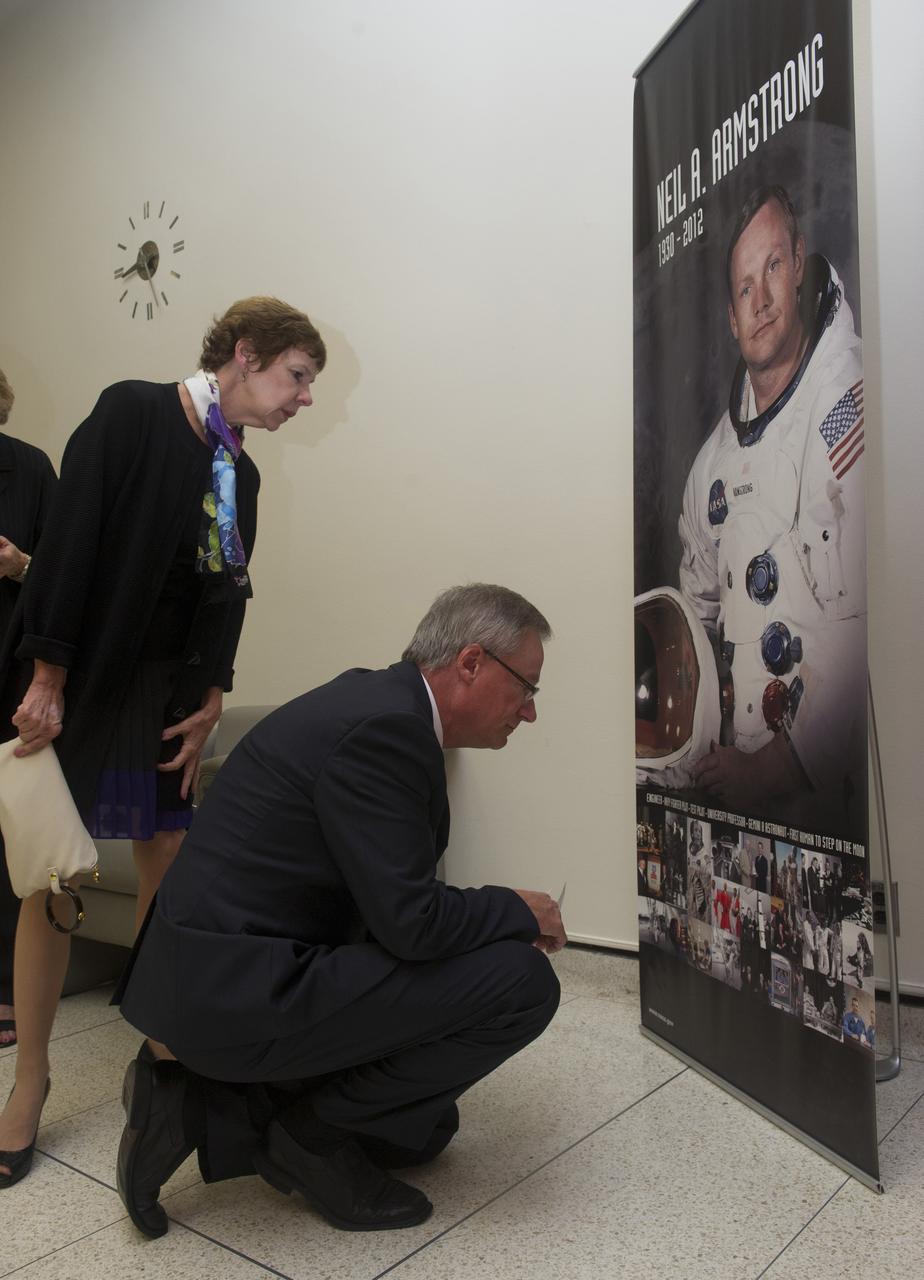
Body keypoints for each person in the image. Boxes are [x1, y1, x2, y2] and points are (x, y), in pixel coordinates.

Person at [114, 584, 564, 1237]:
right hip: (230, 995)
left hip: (228, 972)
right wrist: (519, 911)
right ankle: (308, 1141)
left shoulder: (378, 704)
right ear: (470, 663)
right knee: (521, 984)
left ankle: (206, 1108)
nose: (528, 714)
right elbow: (412, 924)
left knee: (425, 1133)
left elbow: (380, 904)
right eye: (527, 688)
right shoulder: (389, 731)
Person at [0, 297, 326, 1188]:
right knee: (54, 881)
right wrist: (46, 675)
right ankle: (29, 1083)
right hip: (88, 679)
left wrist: (214, 689)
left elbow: (226, 593)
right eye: (297, 377)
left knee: (167, 860)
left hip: (170, 698)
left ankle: (160, 1053)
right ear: (246, 355)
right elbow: (66, 549)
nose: (304, 399)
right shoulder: (132, 413)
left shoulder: (238, 476)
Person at [680, 186, 865, 832]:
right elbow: (694, 618)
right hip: (739, 791)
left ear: (800, 260)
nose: (759, 301)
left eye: (774, 269)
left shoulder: (844, 411)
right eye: (743, 288)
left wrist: (770, 769)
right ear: (731, 318)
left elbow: (867, 634)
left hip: (827, 796)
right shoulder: (712, 469)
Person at [0, 367, 58, 1048]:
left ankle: (8, 988)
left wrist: (21, 565)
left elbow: (72, 576)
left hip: (15, 679)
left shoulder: (32, 470)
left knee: (11, 837)